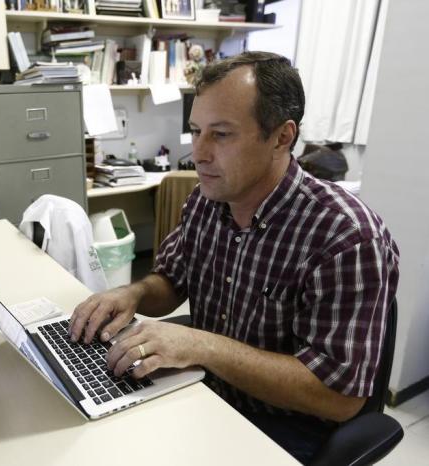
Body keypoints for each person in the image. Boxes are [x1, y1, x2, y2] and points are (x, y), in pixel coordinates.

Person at [69, 51, 399, 464]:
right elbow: (171, 280)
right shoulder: (208, 200)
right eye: (195, 131)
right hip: (205, 391)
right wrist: (131, 294)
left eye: (221, 135)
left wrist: (202, 346)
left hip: (285, 425)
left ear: (282, 137)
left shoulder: (347, 237)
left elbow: (339, 398)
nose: (198, 153)